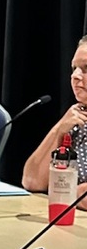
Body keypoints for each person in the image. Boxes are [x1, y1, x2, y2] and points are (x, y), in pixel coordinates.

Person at [22, 34, 87, 195]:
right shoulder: (77, 117)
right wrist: (59, 130)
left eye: (86, 68)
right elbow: (32, 181)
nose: (75, 75)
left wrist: (70, 192)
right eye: (74, 68)